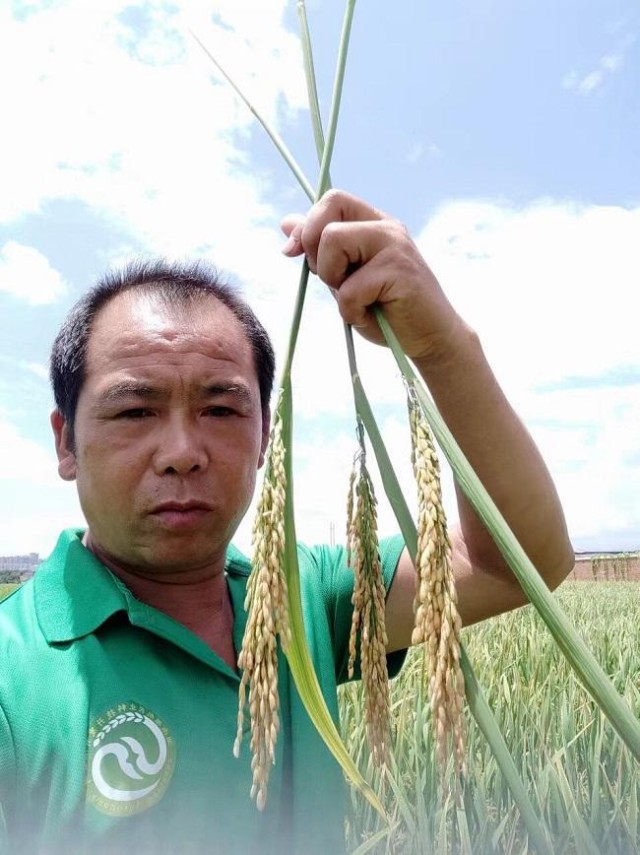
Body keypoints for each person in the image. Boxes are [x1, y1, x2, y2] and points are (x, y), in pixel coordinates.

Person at [0, 190, 573, 855]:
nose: (183, 451)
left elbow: (517, 560)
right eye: (135, 411)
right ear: (65, 441)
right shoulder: (17, 676)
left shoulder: (305, 594)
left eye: (221, 408)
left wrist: (442, 344)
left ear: (266, 433)